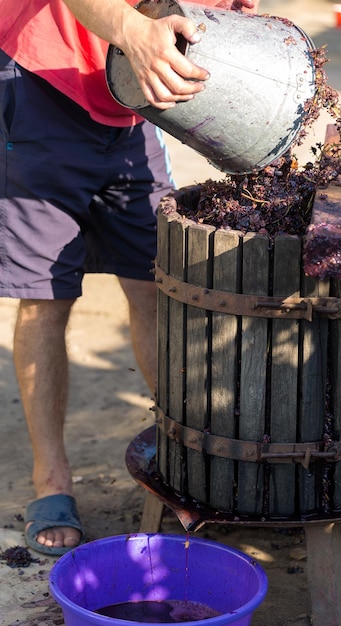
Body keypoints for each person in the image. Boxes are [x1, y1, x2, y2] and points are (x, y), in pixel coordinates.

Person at [0, 0, 258, 556]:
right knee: (46, 296)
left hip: (130, 105)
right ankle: (52, 482)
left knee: (157, 285)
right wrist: (131, 29)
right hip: (44, 83)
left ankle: (185, 462)